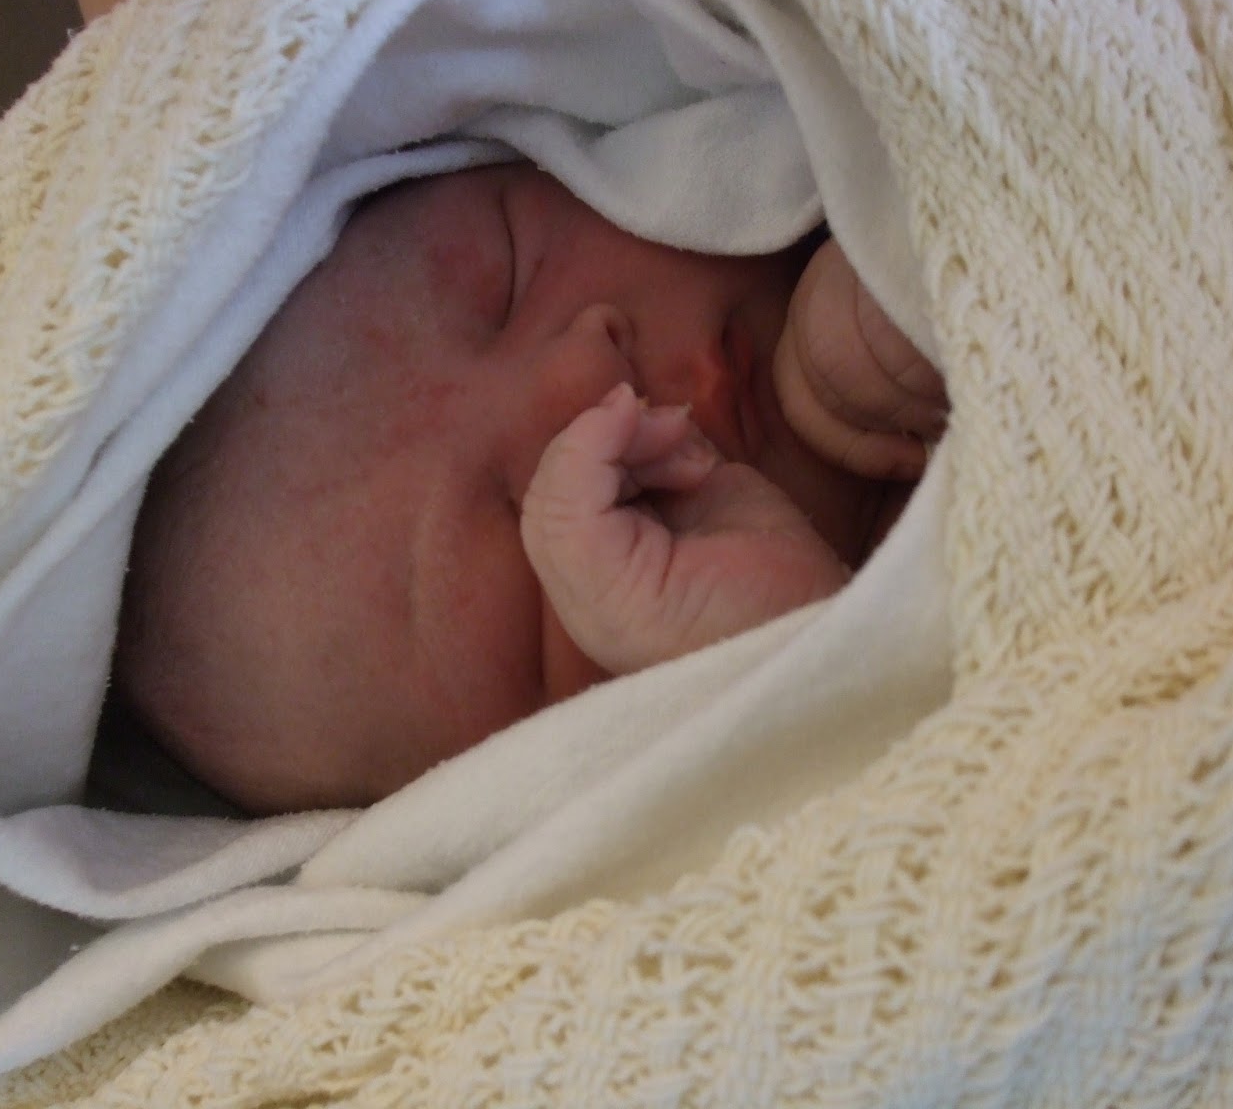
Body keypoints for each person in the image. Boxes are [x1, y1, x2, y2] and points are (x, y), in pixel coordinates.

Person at [112, 161, 948, 815]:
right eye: (530, 566)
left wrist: (929, 267)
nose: (585, 378)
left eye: (510, 274)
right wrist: (805, 680)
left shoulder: (876, 171)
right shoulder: (852, 748)